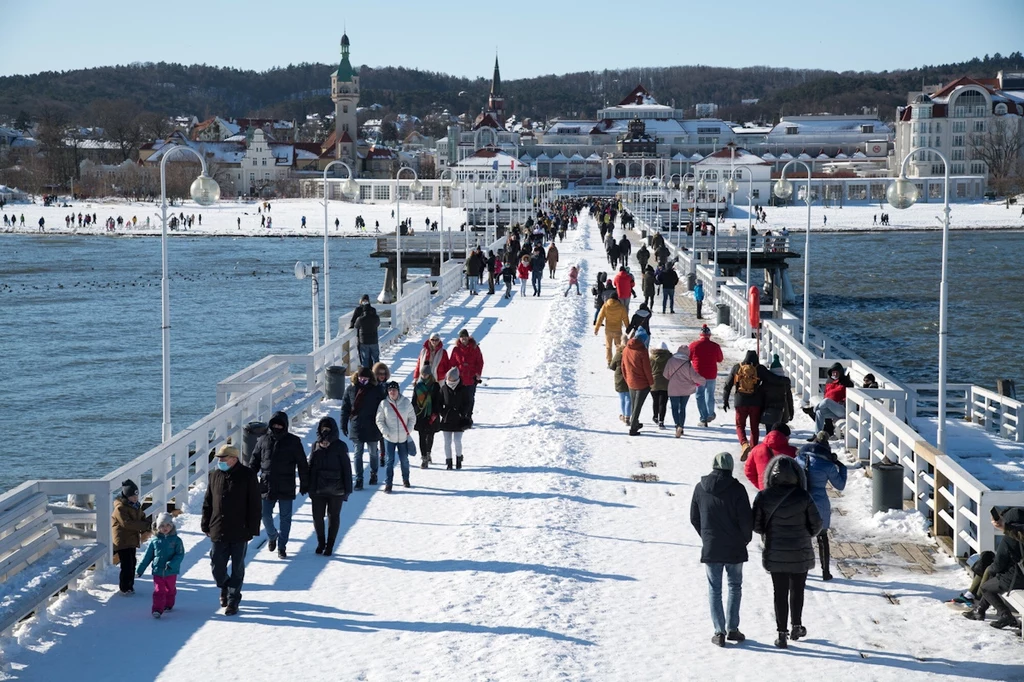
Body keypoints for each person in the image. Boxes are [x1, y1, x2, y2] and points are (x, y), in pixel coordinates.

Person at [752, 455, 822, 649]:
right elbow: (816, 524)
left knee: (779, 592)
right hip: (800, 551)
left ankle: (781, 633)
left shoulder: (764, 497)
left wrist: (770, 533)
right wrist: (804, 534)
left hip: (776, 551)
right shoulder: (803, 496)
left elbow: (756, 525)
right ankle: (796, 626)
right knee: (797, 590)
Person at [690, 452, 752, 646]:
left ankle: (719, 632)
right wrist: (744, 540)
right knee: (735, 586)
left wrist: (707, 537)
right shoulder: (738, 489)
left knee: (714, 589)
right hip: (735, 547)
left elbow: (694, 517)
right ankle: (733, 629)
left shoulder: (700, 488)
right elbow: (746, 520)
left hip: (712, 548)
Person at [202, 444, 261, 616]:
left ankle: (233, 600)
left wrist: (252, 528)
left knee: (237, 567)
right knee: (216, 566)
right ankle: (225, 587)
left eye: (223, 458)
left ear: (234, 459)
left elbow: (255, 504)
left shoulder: (248, 475)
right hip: (217, 528)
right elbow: (208, 502)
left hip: (239, 530)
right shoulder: (214, 475)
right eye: (219, 458)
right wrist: (205, 524)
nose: (219, 461)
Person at [250, 411, 308, 559]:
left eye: (280, 424)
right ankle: (272, 535)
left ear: (285, 425)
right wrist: (249, 479)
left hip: (286, 484)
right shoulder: (262, 440)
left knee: (285, 517)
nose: (277, 427)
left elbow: (302, 464)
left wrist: (304, 482)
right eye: (274, 424)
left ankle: (282, 546)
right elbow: (254, 461)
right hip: (266, 483)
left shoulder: (294, 441)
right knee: (264, 514)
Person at [795, 438, 848, 581]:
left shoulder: (799, 459)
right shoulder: (827, 465)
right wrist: (842, 467)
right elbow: (840, 485)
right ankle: (825, 571)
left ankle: (801, 571)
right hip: (820, 504)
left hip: (801, 502)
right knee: (822, 537)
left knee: (802, 538)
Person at [963, 507, 1024, 629]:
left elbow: (998, 565)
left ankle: (1005, 614)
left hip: (1018, 578)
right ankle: (980, 610)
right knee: (992, 575)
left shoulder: (1009, 539)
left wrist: (990, 570)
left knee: (986, 587)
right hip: (1019, 574)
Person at [723, 350, 786, 458]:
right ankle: (753, 450)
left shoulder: (737, 367)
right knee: (754, 427)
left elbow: (727, 384)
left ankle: (744, 444)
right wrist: (785, 380)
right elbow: (772, 378)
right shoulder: (759, 369)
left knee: (740, 426)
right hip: (756, 403)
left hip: (740, 401)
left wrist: (725, 400)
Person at [307, 417, 353, 556]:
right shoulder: (315, 445)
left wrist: (347, 489)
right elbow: (310, 467)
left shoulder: (340, 446)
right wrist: (308, 486)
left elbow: (347, 469)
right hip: (317, 489)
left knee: (333, 517)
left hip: (336, 489)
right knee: (317, 517)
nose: (325, 431)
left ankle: (330, 545)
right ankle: (321, 542)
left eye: (328, 429)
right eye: (323, 429)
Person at [341, 367, 386, 490]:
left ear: (370, 378)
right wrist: (343, 424)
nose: (363, 380)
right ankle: (359, 478)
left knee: (373, 453)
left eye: (365, 378)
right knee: (357, 453)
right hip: (357, 425)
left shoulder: (377, 390)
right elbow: (345, 408)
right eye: (361, 378)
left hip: (372, 426)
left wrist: (384, 423)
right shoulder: (351, 389)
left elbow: (384, 407)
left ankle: (373, 473)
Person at [136, 512, 185, 618]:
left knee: (170, 589)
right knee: (159, 590)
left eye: (168, 525)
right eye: (162, 526)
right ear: (158, 527)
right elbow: (147, 557)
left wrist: (172, 564)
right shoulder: (155, 541)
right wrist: (139, 570)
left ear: (171, 526)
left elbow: (180, 554)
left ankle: (168, 604)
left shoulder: (176, 541)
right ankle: (157, 609)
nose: (165, 528)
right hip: (158, 571)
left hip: (171, 571)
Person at [376, 381, 417, 493]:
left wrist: (408, 430)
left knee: (404, 460)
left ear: (398, 391)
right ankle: (388, 483)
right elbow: (379, 420)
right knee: (390, 461)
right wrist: (385, 431)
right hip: (389, 438)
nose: (392, 392)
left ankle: (406, 479)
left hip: (403, 438)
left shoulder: (406, 402)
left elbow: (412, 418)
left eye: (394, 390)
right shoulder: (384, 404)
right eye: (390, 390)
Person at [112, 479, 152, 595]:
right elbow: (127, 523)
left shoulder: (136, 506)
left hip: (131, 539)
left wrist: (149, 524)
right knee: (126, 564)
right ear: (126, 496)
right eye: (132, 496)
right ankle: (124, 588)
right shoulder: (120, 508)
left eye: (136, 495)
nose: (135, 498)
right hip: (122, 540)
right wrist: (145, 525)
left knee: (133, 562)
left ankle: (130, 585)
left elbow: (142, 517)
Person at [664, 345, 705, 438]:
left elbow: (666, 374)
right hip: (686, 389)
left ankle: (677, 426)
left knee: (674, 408)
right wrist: (703, 381)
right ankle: (681, 427)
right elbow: (694, 377)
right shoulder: (688, 364)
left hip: (673, 388)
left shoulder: (670, 361)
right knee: (682, 408)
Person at [805, 362, 854, 438]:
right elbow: (826, 394)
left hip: (843, 409)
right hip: (832, 410)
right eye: (833, 372)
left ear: (840, 372)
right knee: (819, 412)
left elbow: (850, 397)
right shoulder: (829, 381)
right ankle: (817, 435)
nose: (834, 374)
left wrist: (843, 401)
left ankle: (813, 409)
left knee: (827, 401)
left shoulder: (847, 382)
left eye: (836, 372)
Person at [744, 423, 797, 490]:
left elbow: (748, 472)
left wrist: (761, 486)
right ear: (785, 437)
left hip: (766, 493)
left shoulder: (756, 450)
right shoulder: (793, 451)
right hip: (786, 493)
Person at [621, 327, 654, 436]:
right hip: (642, 383)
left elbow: (623, 367)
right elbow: (647, 369)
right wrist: (651, 383)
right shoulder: (642, 351)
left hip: (630, 381)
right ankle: (633, 429)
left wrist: (627, 379)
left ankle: (635, 423)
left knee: (634, 404)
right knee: (637, 407)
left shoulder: (626, 349)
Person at [689, 325, 723, 427]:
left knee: (700, 395)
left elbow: (688, 357)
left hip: (698, 374)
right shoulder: (715, 346)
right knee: (710, 394)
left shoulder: (693, 345)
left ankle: (703, 418)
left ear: (700, 335)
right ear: (709, 335)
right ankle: (711, 413)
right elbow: (720, 359)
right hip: (711, 374)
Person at [439, 367, 472, 469]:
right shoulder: (444, 388)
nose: (450, 380)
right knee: (447, 442)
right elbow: (439, 403)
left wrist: (462, 413)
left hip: (459, 420)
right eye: (448, 377)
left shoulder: (463, 389)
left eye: (452, 378)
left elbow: (468, 402)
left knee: (457, 441)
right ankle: (449, 461)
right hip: (447, 420)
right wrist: (443, 413)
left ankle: (459, 458)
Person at [413, 367, 443, 468]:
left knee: (430, 435)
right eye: (422, 374)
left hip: (432, 414)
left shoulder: (435, 386)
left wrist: (435, 412)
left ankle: (428, 452)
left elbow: (438, 400)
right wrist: (414, 411)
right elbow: (414, 400)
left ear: (430, 374)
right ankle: (424, 457)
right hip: (420, 414)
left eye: (425, 374)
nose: (423, 376)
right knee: (421, 436)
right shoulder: (418, 386)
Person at [594, 292, 629, 364]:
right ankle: (617, 361)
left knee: (608, 347)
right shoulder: (621, 307)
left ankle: (609, 361)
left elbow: (600, 318)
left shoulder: (606, 305)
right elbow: (625, 319)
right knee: (618, 347)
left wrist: (596, 329)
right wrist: (628, 328)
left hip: (608, 330)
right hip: (617, 330)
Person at [761, 355, 795, 428]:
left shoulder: (767, 382)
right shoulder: (786, 383)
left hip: (769, 412)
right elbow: (789, 399)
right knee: (780, 433)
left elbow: (761, 398)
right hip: (783, 413)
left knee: (770, 433)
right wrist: (791, 413)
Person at [349, 295, 381, 370]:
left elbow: (354, 323)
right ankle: (376, 372)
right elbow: (377, 323)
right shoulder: (373, 311)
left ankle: (366, 373)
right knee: (375, 358)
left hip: (363, 339)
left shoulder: (359, 316)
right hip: (374, 339)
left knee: (364, 359)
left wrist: (352, 327)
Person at [649, 341, 673, 429]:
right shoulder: (670, 358)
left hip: (654, 382)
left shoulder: (651, 358)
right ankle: (661, 421)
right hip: (666, 382)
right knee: (663, 403)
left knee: (655, 401)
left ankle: (655, 416)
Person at [609, 336, 632, 425]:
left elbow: (612, 366)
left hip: (619, 378)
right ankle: (627, 417)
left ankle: (623, 415)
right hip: (629, 377)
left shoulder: (618, 354)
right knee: (628, 399)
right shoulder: (631, 353)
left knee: (622, 398)